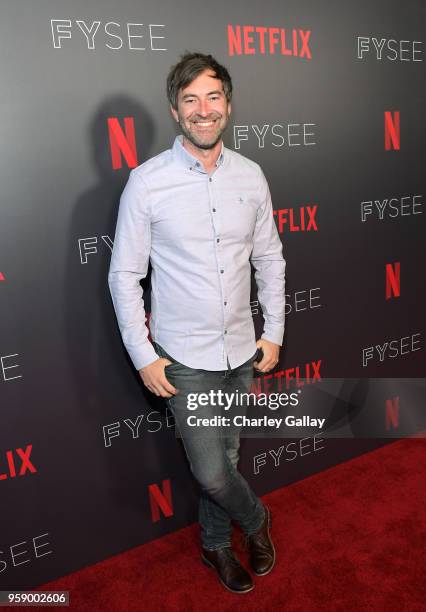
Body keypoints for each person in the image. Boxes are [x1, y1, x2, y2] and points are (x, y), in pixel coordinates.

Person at [108, 52, 286, 594]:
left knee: (227, 458)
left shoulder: (251, 177)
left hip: (241, 350)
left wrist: (273, 329)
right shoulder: (147, 182)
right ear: (175, 110)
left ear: (228, 106)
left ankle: (214, 546)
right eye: (191, 100)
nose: (203, 110)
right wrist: (144, 355)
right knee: (212, 471)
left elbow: (269, 258)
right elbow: (124, 276)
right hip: (183, 359)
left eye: (213, 97)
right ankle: (256, 521)